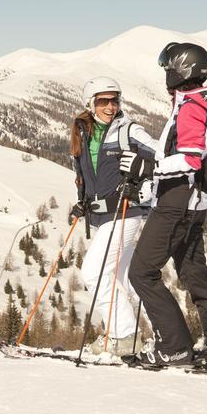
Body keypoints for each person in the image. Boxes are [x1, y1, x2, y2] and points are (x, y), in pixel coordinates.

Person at [127, 42, 207, 368]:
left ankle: (174, 348)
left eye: (168, 70)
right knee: (194, 275)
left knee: (141, 272)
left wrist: (151, 168)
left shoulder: (190, 108)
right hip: (197, 203)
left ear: (179, 71)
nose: (165, 76)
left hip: (177, 203)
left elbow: (190, 159)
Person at [69, 76, 157, 354]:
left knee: (93, 273)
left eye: (114, 100)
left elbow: (165, 155)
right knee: (123, 278)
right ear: (90, 104)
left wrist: (145, 164)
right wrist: (82, 203)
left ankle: (125, 336)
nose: (110, 106)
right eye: (103, 101)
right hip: (103, 216)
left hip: (126, 212)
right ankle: (162, 338)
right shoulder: (84, 132)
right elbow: (87, 174)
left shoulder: (128, 130)